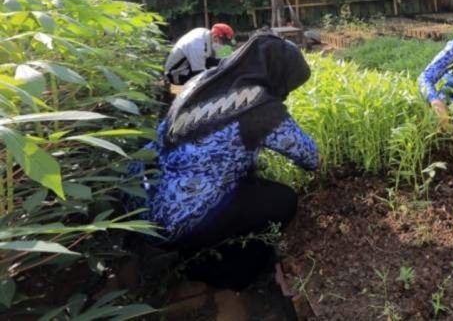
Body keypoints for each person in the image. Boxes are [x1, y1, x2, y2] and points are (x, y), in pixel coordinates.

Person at [129, 32, 319, 290]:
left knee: (245, 178)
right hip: (174, 217)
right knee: (282, 200)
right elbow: (309, 157)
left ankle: (196, 246)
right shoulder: (260, 108)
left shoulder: (204, 80)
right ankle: (229, 270)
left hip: (142, 198)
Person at [164, 23, 236, 85]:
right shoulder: (197, 45)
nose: (224, 45)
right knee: (214, 75)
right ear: (215, 37)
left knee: (220, 63)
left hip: (189, 65)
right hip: (176, 74)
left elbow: (224, 56)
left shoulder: (206, 33)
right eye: (223, 42)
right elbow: (198, 73)